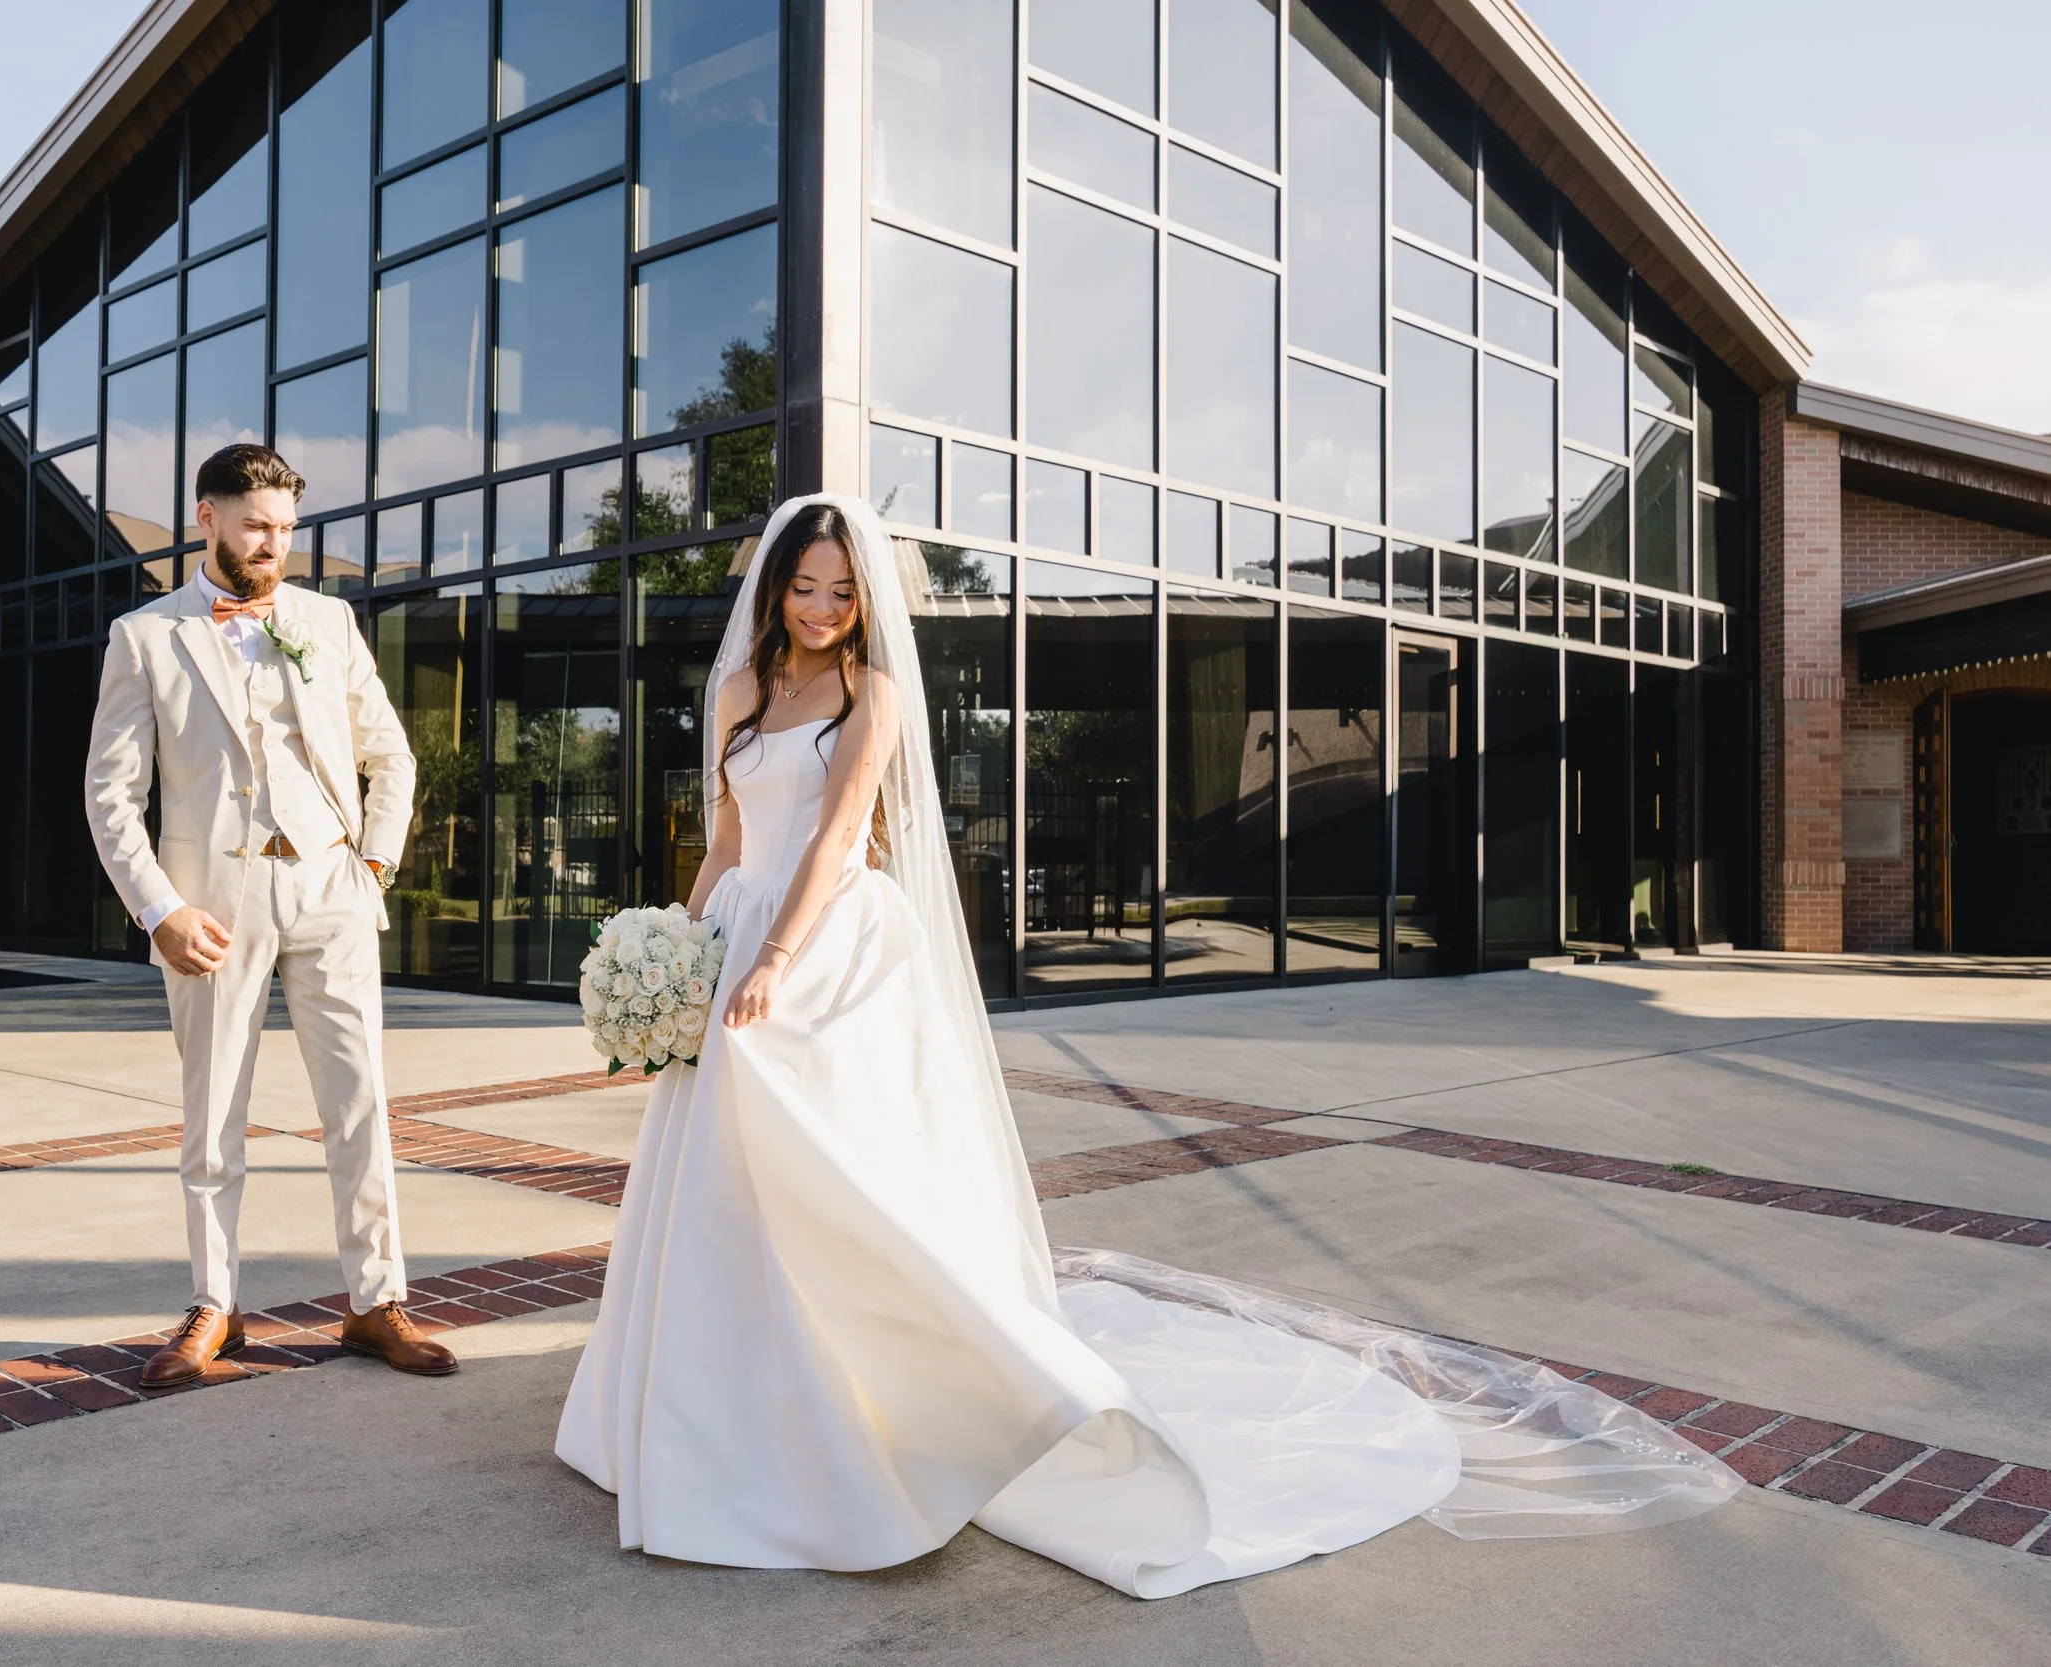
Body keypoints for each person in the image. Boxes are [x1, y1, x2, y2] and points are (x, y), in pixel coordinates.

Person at [555, 495, 1737, 1595]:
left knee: (831, 1173)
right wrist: (682, 942)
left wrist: (773, 960)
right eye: (804, 589)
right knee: (718, 1177)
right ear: (773, 591)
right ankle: (717, 1407)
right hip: (737, 934)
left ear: (863, 602)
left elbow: (833, 841)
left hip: (830, 945)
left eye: (840, 593)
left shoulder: (872, 695)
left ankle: (877, 1402)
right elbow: (724, 835)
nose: (820, 610)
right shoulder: (740, 692)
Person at [85, 442, 455, 1387]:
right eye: (257, 526)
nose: (274, 544)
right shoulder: (146, 636)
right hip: (212, 903)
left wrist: (373, 865)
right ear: (205, 515)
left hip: (331, 885)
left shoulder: (328, 621)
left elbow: (393, 757)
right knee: (213, 1116)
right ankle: (216, 1304)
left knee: (360, 1101)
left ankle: (376, 1302)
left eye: (287, 528)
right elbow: (110, 796)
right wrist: (160, 910)